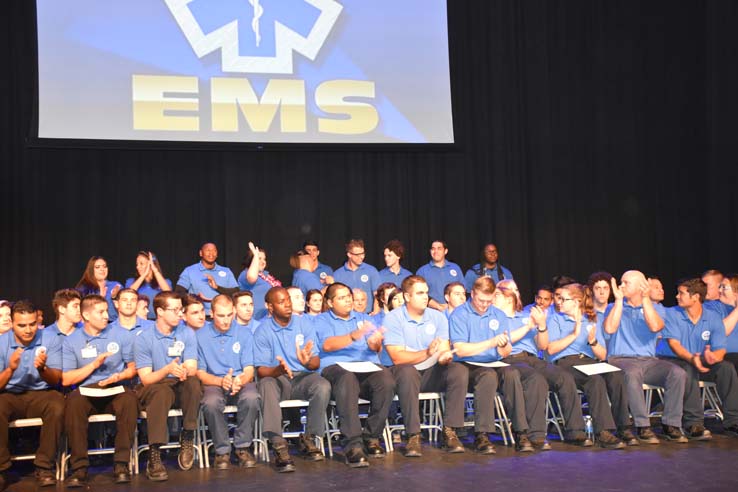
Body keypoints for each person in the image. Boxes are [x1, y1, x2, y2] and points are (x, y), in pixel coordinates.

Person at [449, 277, 543, 453]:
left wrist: (504, 346)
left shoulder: (498, 314)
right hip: (468, 365)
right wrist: (491, 342)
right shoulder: (460, 314)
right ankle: (482, 434)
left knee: (512, 373)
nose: (485, 305)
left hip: (494, 361)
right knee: (488, 377)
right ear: (473, 294)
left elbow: (504, 351)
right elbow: (460, 350)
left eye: (489, 301)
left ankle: (520, 431)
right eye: (480, 300)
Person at [495, 279, 591, 449]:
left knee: (564, 376)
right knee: (536, 379)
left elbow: (542, 345)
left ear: (508, 297)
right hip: (510, 358)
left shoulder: (526, 316)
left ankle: (576, 431)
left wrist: (541, 325)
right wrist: (527, 327)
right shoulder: (495, 318)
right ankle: (536, 435)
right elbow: (502, 343)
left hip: (532, 357)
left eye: (498, 293)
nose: (494, 297)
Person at [383, 275, 467, 456]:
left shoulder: (437, 317)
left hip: (431, 372)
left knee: (458, 370)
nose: (425, 297)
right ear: (406, 297)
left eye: (427, 293)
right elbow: (397, 357)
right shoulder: (393, 318)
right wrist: (426, 353)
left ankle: (450, 431)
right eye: (420, 293)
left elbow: (443, 350)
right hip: (405, 374)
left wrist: (445, 356)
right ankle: (413, 435)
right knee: (406, 372)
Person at [315, 283, 395, 466]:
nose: (348, 300)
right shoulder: (321, 320)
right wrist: (353, 335)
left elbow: (375, 347)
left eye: (349, 296)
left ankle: (372, 437)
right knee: (347, 378)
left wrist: (375, 342)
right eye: (342, 298)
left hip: (366, 366)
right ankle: (353, 444)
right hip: (336, 368)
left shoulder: (362, 318)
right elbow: (327, 345)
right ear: (330, 302)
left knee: (387, 380)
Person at [62, 295, 138, 487]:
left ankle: (121, 464)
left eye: (106, 311)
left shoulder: (120, 334)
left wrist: (118, 377)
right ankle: (79, 468)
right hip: (87, 389)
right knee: (73, 402)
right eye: (101, 312)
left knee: (129, 400)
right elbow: (67, 379)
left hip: (115, 385)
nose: (106, 316)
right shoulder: (72, 341)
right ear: (86, 315)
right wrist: (93, 365)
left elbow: (132, 368)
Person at [604, 270, 688, 443]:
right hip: (620, 359)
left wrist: (645, 299)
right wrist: (619, 300)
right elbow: (610, 329)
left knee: (677, 373)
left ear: (640, 286)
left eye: (626, 283)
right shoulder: (613, 307)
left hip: (649, 361)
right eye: (621, 282)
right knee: (632, 373)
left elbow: (655, 326)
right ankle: (643, 426)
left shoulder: (657, 309)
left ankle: (670, 424)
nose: (621, 286)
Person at [546, 283, 634, 448]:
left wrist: (593, 341)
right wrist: (574, 334)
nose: (559, 302)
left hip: (589, 361)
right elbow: (550, 349)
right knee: (595, 380)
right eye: (559, 298)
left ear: (576, 301)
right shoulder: (555, 319)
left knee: (616, 374)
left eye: (563, 299)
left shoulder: (592, 319)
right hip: (565, 362)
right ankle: (603, 432)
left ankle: (623, 427)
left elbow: (602, 355)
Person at [254, 287, 331, 472]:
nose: (287, 304)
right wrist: (277, 369)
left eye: (288, 299)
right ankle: (279, 445)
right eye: (281, 302)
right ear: (270, 307)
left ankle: (309, 438)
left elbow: (315, 362)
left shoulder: (303, 324)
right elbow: (261, 370)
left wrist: (308, 361)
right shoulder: (263, 330)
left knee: (322, 385)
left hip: (301, 376)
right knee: (266, 385)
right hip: (277, 378)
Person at [656, 278, 738, 437]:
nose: (677, 296)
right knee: (687, 369)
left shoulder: (712, 317)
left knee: (726, 368)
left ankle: (733, 421)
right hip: (674, 359)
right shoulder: (672, 313)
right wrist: (694, 359)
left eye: (681, 293)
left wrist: (713, 357)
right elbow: (675, 346)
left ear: (695, 297)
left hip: (701, 358)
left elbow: (720, 348)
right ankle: (694, 423)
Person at [134, 292, 202, 481]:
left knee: (193, 382)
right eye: (175, 310)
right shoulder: (144, 338)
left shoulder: (186, 332)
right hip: (155, 385)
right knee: (160, 392)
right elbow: (146, 378)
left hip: (178, 383)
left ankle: (187, 435)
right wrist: (168, 369)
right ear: (160, 311)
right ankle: (154, 454)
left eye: (181, 309)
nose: (180, 314)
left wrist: (184, 370)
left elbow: (192, 365)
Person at [0, 300, 64, 488]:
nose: (28, 330)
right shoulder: (2, 343)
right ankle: (2, 468)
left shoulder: (50, 338)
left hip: (41, 393)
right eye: (22, 325)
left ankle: (44, 466)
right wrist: (10, 370)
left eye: (32, 324)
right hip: (10, 395)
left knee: (58, 405)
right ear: (12, 324)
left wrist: (43, 368)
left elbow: (55, 380)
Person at [197, 295, 260, 469]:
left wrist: (239, 380)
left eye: (228, 315)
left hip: (240, 381)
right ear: (212, 314)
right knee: (210, 403)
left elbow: (249, 370)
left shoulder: (244, 333)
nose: (226, 320)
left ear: (233, 312)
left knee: (252, 397)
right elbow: (199, 372)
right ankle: (222, 450)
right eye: (221, 316)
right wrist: (220, 381)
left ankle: (242, 447)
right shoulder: (200, 335)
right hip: (213, 382)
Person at [176, 243, 238, 316]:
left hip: (222, 315)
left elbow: (236, 293)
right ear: (201, 253)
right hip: (199, 315)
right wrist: (195, 298)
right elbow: (178, 292)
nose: (211, 253)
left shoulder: (226, 271)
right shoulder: (189, 270)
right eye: (208, 250)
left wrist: (217, 288)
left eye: (214, 250)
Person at [333, 239, 381, 311]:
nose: (361, 257)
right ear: (349, 254)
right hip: (347, 317)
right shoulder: (338, 274)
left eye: (363, 253)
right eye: (358, 254)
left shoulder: (371, 270)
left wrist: (376, 311)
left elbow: (377, 294)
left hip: (367, 315)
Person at [416, 240, 463, 311]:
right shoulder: (422, 271)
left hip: (455, 312)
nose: (435, 251)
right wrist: (438, 306)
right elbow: (418, 294)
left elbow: (463, 291)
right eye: (433, 249)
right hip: (431, 313)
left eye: (439, 248)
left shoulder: (455, 268)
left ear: (445, 251)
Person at [238, 242, 281, 320]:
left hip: (269, 318)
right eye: (259, 258)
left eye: (264, 259)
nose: (263, 261)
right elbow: (251, 277)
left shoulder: (266, 275)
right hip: (255, 318)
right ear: (251, 260)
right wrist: (255, 255)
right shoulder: (245, 274)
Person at [125, 251, 172, 320]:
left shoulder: (165, 282)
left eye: (141, 264)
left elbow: (168, 294)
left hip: (159, 321)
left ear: (151, 264)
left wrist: (155, 270)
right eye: (137, 264)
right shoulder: (131, 282)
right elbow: (128, 294)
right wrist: (144, 275)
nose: (138, 267)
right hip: (138, 320)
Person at [75, 256, 122, 322]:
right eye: (97, 267)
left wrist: (114, 298)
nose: (102, 269)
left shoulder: (115, 285)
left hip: (114, 326)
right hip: (92, 325)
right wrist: (100, 297)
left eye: (104, 266)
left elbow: (124, 311)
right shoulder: (84, 288)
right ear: (91, 270)